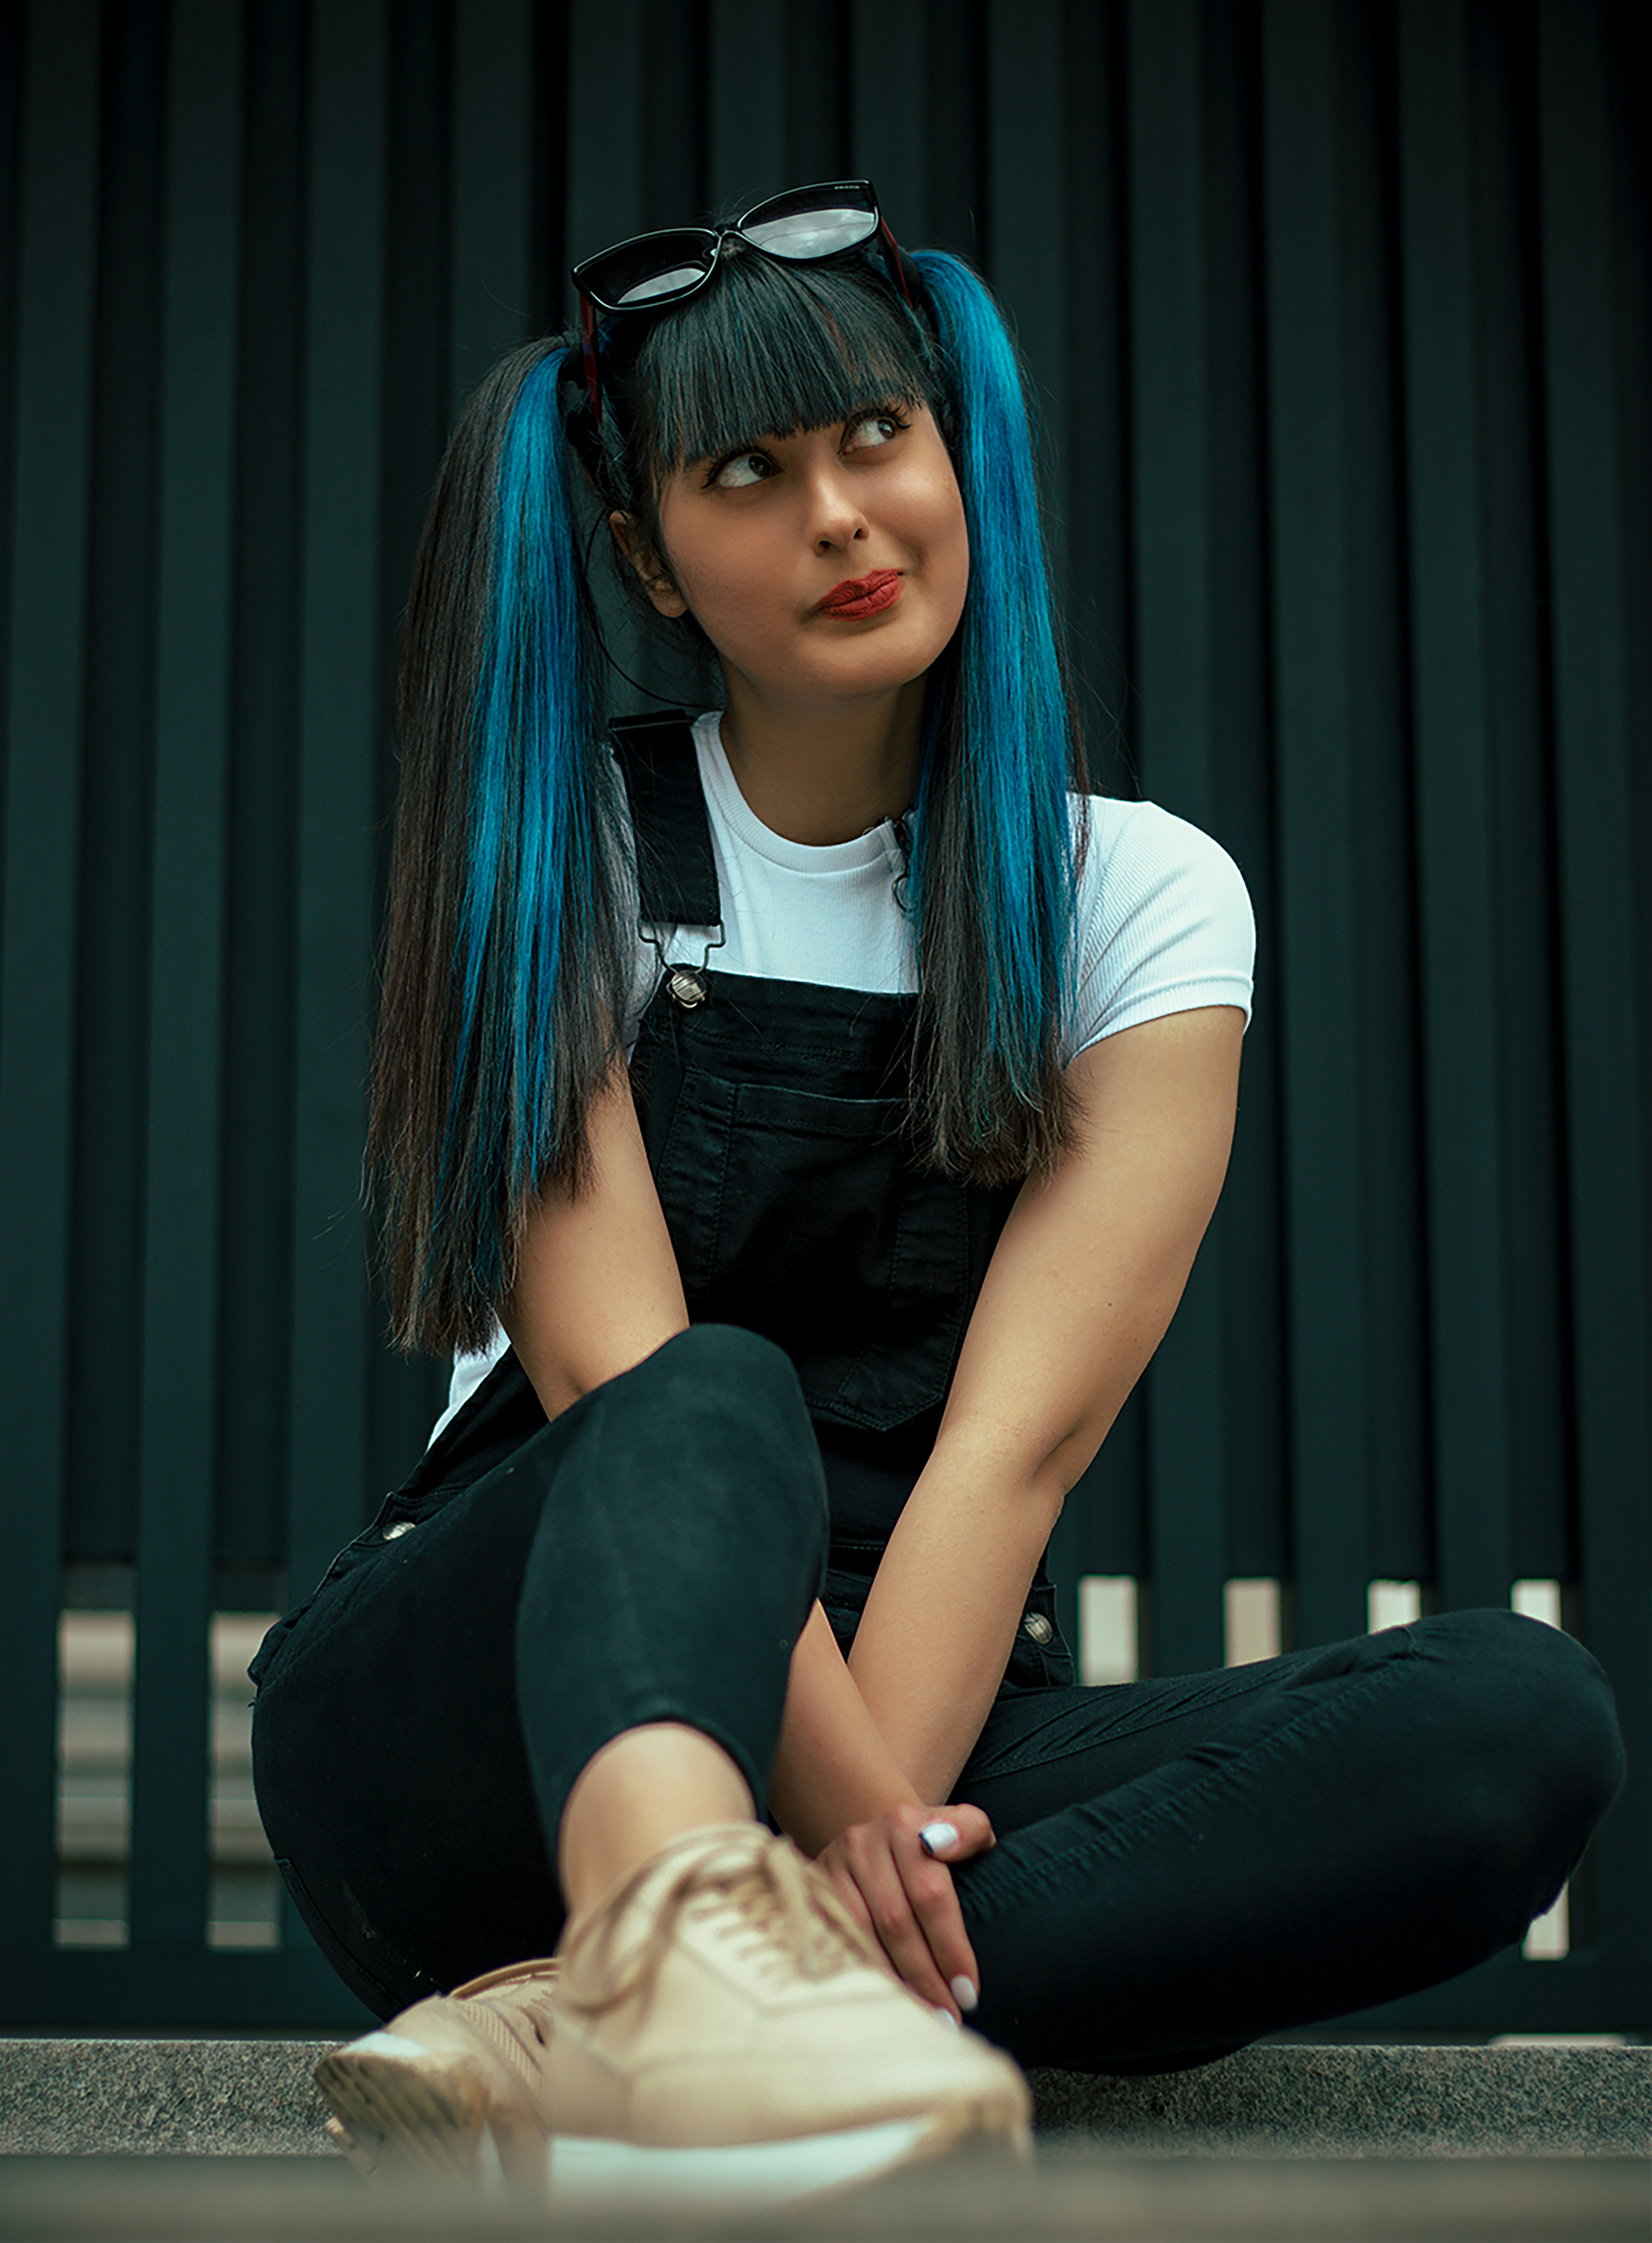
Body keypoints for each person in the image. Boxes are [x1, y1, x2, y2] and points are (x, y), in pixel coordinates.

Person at [249, 183, 1623, 2198]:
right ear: (645, 553)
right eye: (748, 471)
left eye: (876, 435)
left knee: (1512, 1718)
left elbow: (1011, 1450)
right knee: (705, 1393)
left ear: (952, 454)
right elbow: (616, 1371)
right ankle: (671, 1941)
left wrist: (863, 1843)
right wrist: (856, 1851)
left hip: (913, 1722)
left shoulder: (1134, 901)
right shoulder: (566, 852)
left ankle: (605, 2024)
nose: (840, 515)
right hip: (501, 1717)